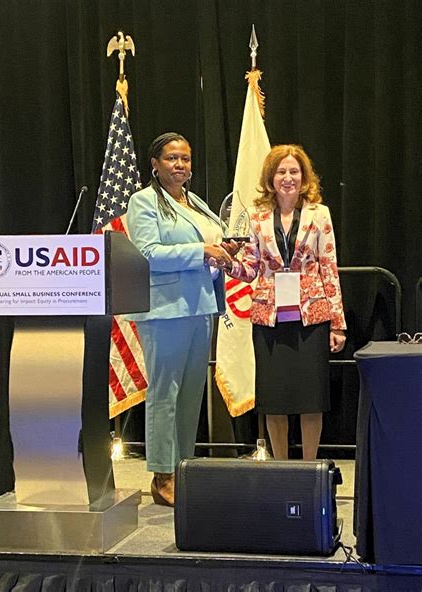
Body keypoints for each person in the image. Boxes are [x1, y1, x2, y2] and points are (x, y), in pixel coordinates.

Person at [125, 132, 232, 506]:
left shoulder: (195, 201)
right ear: (155, 164)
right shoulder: (143, 201)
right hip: (164, 310)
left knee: (190, 394)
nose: (180, 165)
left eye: (185, 158)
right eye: (172, 158)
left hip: (201, 305)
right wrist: (202, 250)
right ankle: (162, 475)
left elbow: (211, 244)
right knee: (165, 393)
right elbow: (147, 253)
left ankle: (183, 469)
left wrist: (224, 251)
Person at [224, 144, 346, 461]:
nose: (288, 178)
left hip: (312, 317)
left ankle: (308, 468)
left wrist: (337, 324)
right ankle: (281, 467)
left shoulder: (319, 214)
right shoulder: (257, 216)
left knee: (311, 398)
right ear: (271, 177)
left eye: (294, 171)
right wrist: (227, 262)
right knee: (274, 399)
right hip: (269, 318)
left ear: (304, 177)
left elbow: (329, 268)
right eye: (281, 171)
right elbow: (250, 270)